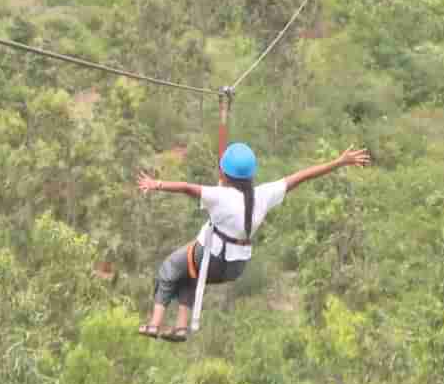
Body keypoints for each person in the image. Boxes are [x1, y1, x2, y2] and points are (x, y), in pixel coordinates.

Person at [136, 143, 370, 342]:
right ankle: (180, 328)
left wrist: (156, 184)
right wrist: (339, 162)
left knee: (170, 268)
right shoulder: (263, 194)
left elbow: (187, 188)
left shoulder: (220, 195)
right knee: (190, 274)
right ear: (250, 175)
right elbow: (303, 175)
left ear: (224, 174)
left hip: (212, 256)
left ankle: (155, 324)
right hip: (235, 267)